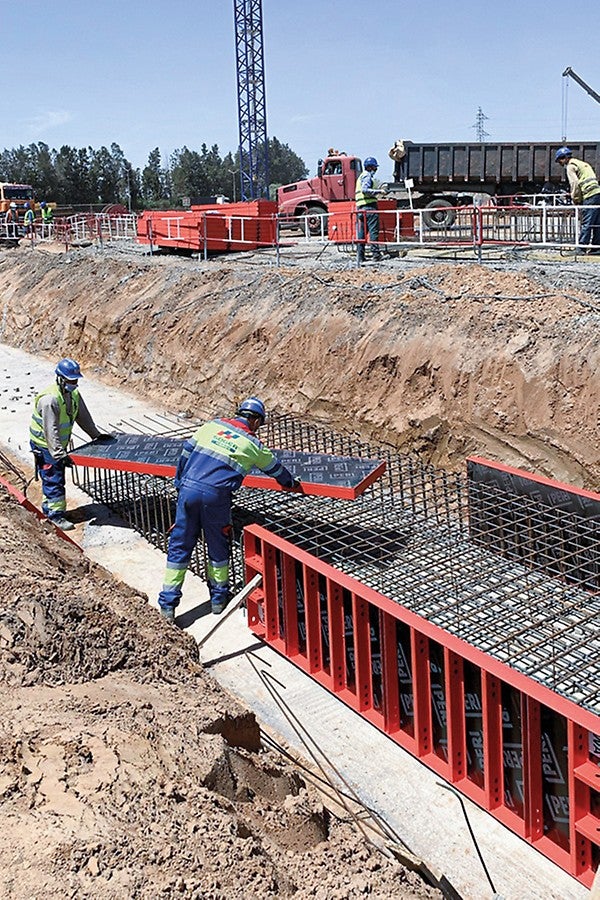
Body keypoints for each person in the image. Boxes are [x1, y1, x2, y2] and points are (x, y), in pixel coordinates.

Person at [157, 397, 301, 621]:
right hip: (216, 498)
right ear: (254, 420)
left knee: (179, 546)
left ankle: (167, 604)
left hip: (188, 490)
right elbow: (276, 470)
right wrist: (292, 483)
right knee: (218, 548)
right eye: (259, 424)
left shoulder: (211, 426)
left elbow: (185, 453)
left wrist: (179, 484)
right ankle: (218, 600)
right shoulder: (252, 445)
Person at [29, 358, 105, 531]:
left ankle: (50, 511)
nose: (74, 383)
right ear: (60, 378)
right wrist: (59, 454)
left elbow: (83, 417)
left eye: (75, 380)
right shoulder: (50, 400)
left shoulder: (73, 394)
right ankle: (55, 517)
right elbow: (51, 429)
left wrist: (96, 435)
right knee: (54, 478)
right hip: (45, 445)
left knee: (52, 478)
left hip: (55, 444)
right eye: (71, 380)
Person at [555, 146, 600, 253]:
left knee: (587, 223)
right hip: (598, 193)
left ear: (563, 158)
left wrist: (575, 198)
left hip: (589, 195)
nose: (560, 163)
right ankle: (596, 248)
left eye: (559, 161)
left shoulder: (570, 166)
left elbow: (575, 183)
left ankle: (581, 248)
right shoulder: (583, 163)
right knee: (597, 222)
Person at [355, 157, 382, 263]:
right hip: (369, 207)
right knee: (373, 232)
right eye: (375, 167)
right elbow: (365, 190)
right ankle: (376, 255)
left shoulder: (361, 176)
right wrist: (379, 191)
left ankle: (360, 257)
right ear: (371, 167)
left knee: (362, 233)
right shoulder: (367, 176)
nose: (375, 170)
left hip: (361, 208)